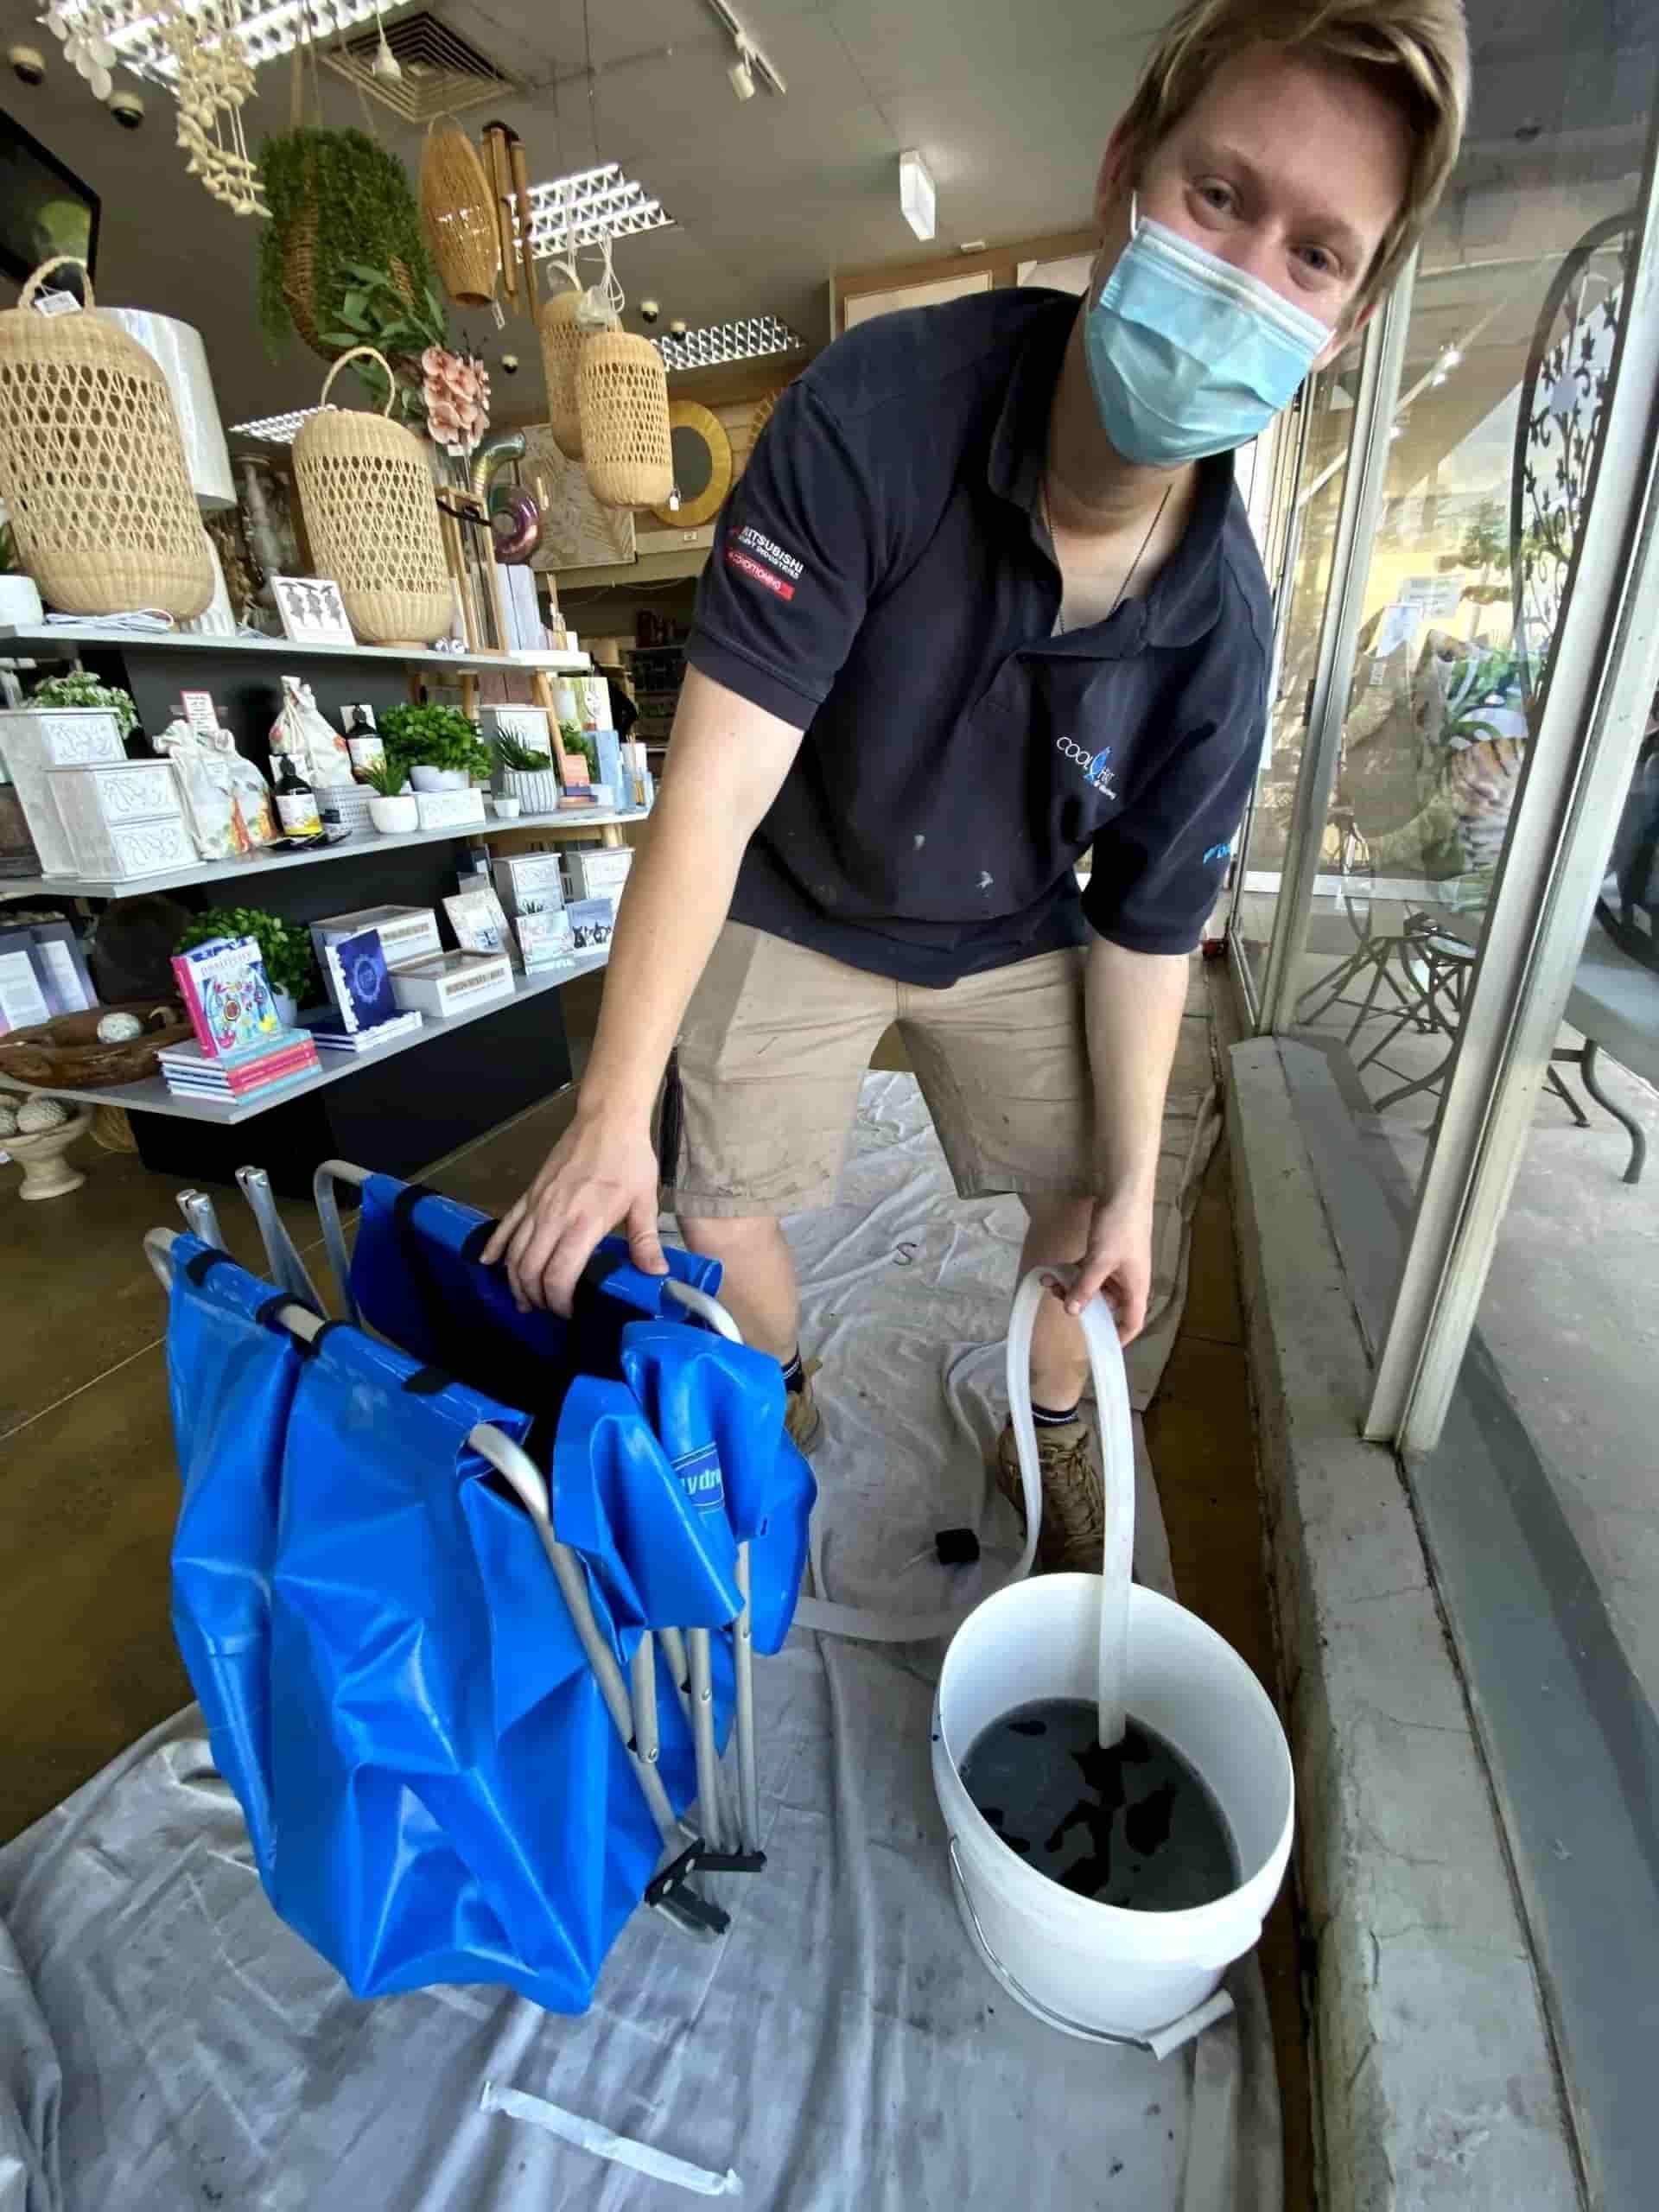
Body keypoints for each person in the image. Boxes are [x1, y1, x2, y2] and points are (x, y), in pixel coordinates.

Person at [486, 0, 1470, 1569]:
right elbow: (713, 792)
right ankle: (772, 1419)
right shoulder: (873, 416)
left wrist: (1135, 1193)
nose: (1241, 281)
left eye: (1314, 253)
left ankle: (1049, 1443)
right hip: (795, 892)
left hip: (1015, 926)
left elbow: (1148, 933)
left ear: (1343, 324)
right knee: (699, 1201)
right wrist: (610, 1116)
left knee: (1098, 1226)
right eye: (1220, 197)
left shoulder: (1224, 631)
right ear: (1125, 174)